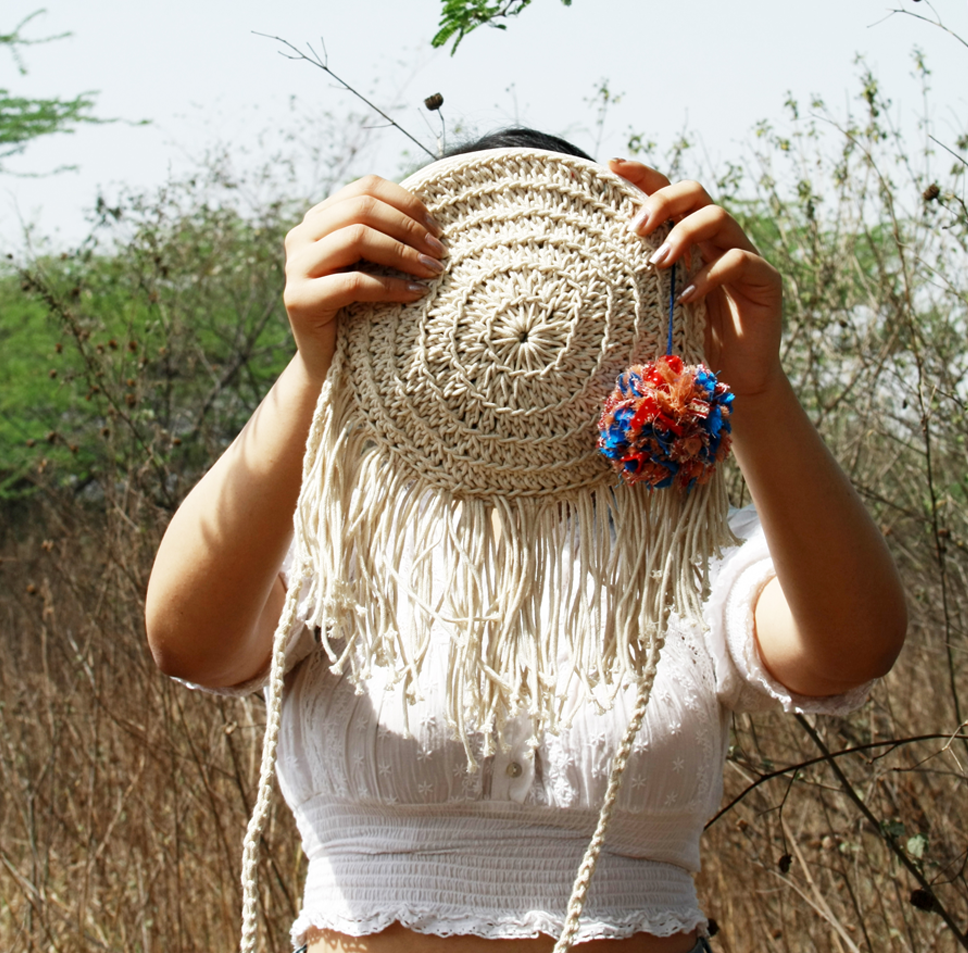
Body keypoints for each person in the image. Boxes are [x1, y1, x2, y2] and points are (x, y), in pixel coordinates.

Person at [145, 128, 907, 953]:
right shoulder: (344, 527)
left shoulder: (681, 544)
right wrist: (314, 370)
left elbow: (848, 649)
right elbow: (191, 642)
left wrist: (752, 388)